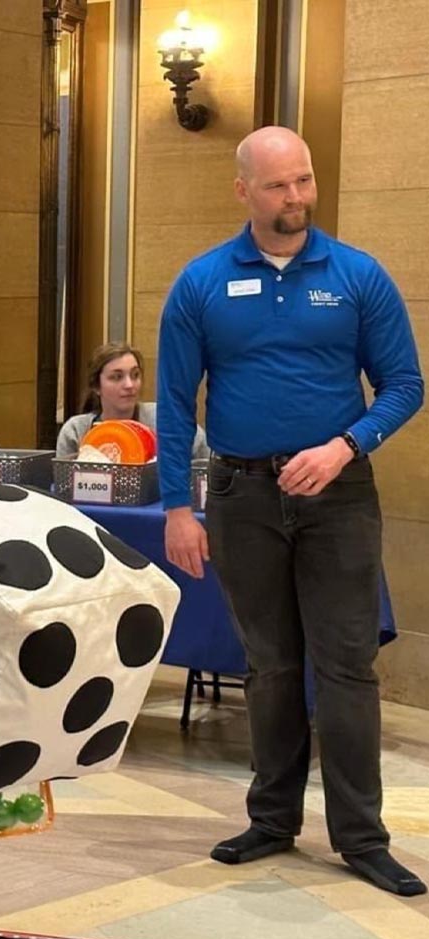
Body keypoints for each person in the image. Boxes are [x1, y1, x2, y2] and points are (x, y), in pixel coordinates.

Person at [159, 126, 426, 898]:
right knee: (270, 665)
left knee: (345, 667)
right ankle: (273, 821)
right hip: (241, 496)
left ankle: (362, 839)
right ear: (243, 190)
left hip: (338, 497)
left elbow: (405, 386)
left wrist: (347, 445)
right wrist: (180, 505)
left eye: (304, 182)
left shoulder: (357, 275)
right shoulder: (202, 283)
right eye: (278, 186)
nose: (296, 198)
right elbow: (176, 403)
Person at [54, 342, 208, 459]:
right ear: (96, 386)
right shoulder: (75, 431)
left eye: (135, 375)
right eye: (116, 377)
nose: (129, 385)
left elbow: (204, 462)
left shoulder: (164, 418)